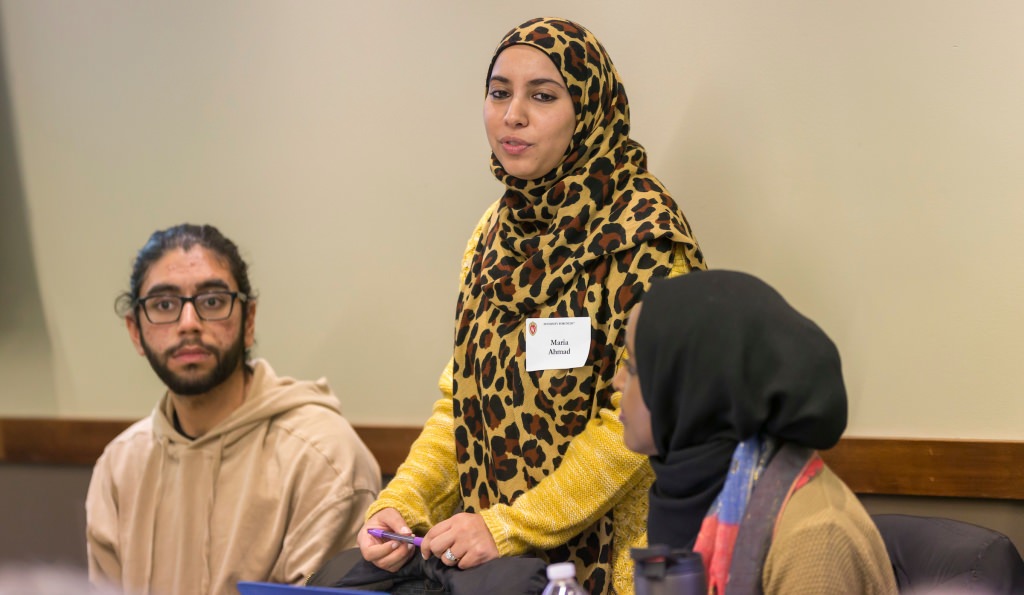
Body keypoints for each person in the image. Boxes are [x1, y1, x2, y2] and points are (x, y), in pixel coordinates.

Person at [357, 17, 705, 595]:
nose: (511, 115)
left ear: (588, 110)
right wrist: (403, 503)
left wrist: (510, 526)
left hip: (617, 570)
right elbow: (461, 406)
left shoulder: (646, 236)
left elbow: (641, 424)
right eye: (499, 93)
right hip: (497, 568)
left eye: (542, 96)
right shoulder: (492, 236)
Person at [86, 224, 382, 595]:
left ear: (249, 320)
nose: (188, 324)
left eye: (211, 301)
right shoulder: (119, 467)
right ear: (135, 331)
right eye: (164, 305)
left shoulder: (323, 457)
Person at [614, 270, 898, 594]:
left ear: (692, 389)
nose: (618, 381)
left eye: (634, 367)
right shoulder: (691, 496)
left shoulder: (814, 539)